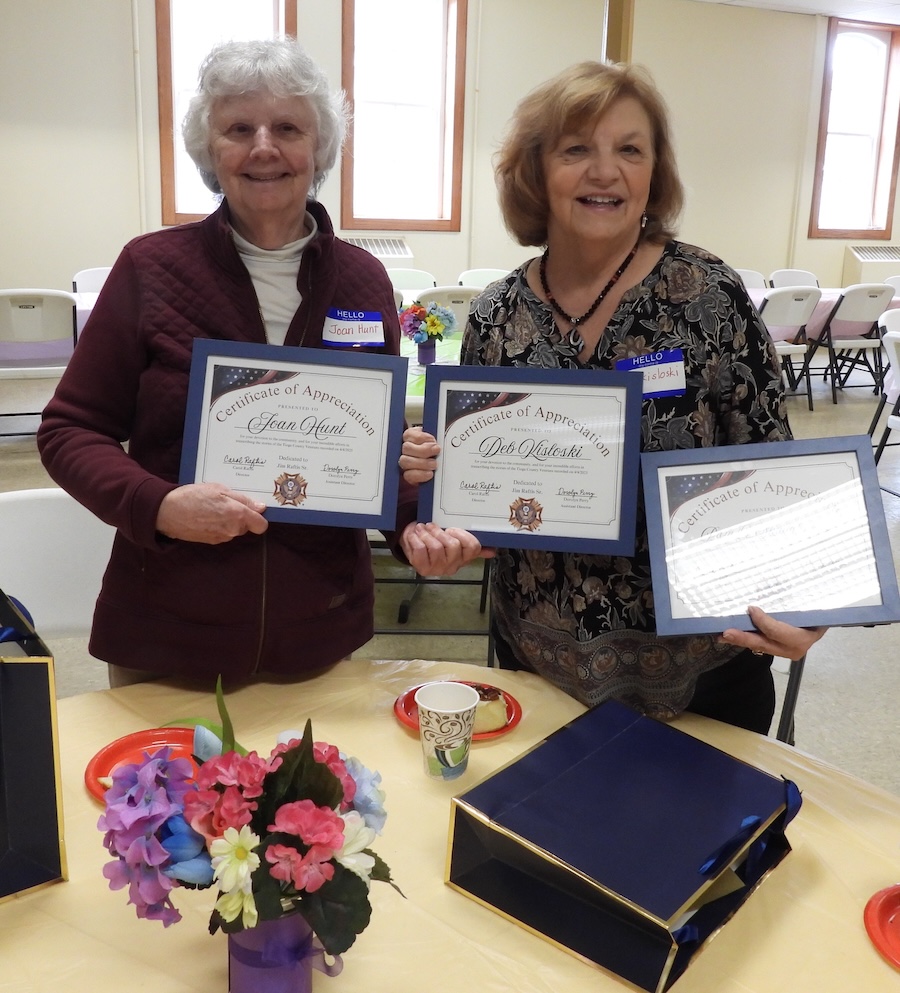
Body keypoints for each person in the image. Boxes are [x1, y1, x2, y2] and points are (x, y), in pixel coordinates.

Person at [397, 61, 825, 733]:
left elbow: (772, 462)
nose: (605, 172)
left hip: (700, 674)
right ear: (536, 172)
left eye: (630, 149)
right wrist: (440, 501)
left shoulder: (709, 296)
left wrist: (809, 600)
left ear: (655, 171)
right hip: (533, 669)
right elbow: (478, 483)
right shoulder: (495, 315)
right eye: (576, 150)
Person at [38, 38, 416, 687]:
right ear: (210, 149)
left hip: (319, 632)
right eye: (239, 129)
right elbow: (69, 430)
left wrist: (416, 523)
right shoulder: (151, 268)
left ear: (319, 147)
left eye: (288, 128)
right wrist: (158, 504)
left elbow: (372, 444)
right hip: (166, 637)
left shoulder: (363, 279)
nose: (264, 147)